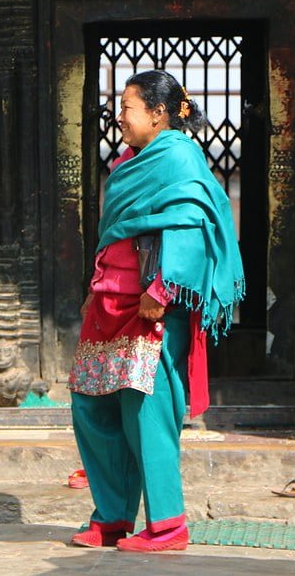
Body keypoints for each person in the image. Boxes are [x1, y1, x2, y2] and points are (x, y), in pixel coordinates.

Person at [69, 69, 245, 552]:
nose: (119, 117)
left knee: (147, 411)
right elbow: (118, 232)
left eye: (127, 107)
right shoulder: (131, 159)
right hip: (110, 300)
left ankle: (168, 524)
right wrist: (96, 284)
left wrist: (164, 289)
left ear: (158, 113)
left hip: (152, 306)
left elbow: (190, 222)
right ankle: (112, 516)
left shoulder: (179, 157)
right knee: (92, 405)